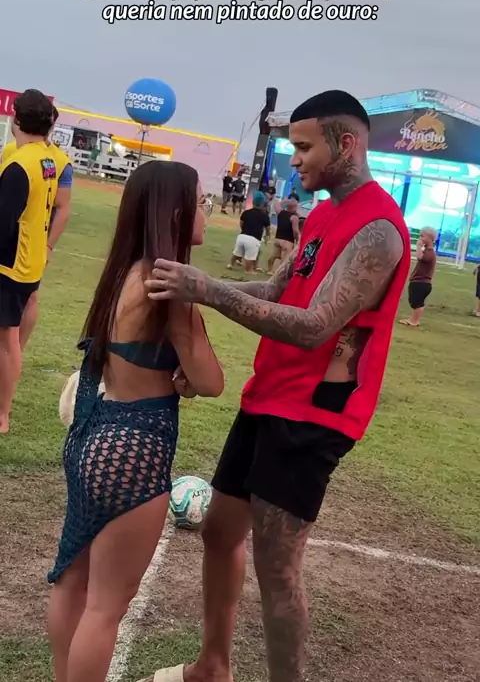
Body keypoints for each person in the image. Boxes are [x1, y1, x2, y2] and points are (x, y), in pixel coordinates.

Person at [142, 89, 411, 682]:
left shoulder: (379, 230)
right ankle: (212, 667)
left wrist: (208, 291)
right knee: (219, 531)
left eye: (305, 147)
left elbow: (315, 327)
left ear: (347, 143)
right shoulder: (322, 213)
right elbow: (274, 291)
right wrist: (194, 285)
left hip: (314, 415)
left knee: (277, 566)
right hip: (271, 396)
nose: (295, 159)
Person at [47, 160, 224, 682]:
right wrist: (189, 372)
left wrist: (178, 371)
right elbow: (212, 381)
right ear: (176, 212)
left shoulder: (123, 273)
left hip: (92, 438)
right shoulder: (170, 286)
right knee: (105, 606)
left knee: (73, 583)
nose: (207, 214)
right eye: (201, 202)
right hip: (134, 450)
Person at [0, 89, 61, 434]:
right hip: (30, 258)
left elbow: (4, 222)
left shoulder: (20, 164)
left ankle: (2, 415)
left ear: (17, 119)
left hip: (11, 264)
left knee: (7, 339)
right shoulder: (46, 158)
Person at [2, 108, 73, 351]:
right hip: (16, 239)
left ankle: (15, 351)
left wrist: (49, 246)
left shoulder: (59, 162)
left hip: (29, 242)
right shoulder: (12, 151)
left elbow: (63, 207)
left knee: (29, 298)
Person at [399, 227, 437, 328]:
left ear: (430, 238)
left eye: (422, 236)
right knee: (415, 301)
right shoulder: (427, 251)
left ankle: (414, 321)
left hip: (422, 282)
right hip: (419, 282)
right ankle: (414, 319)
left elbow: (420, 257)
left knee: (417, 302)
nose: (420, 238)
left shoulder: (430, 253)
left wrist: (418, 246)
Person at [228, 191, 270, 274]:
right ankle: (249, 270)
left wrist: (245, 230)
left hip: (241, 237)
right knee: (249, 257)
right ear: (262, 204)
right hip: (254, 239)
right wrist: (267, 236)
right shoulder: (264, 216)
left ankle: (230, 264)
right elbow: (268, 229)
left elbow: (241, 224)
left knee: (237, 253)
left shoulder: (246, 213)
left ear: (253, 202)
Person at [267, 198, 300, 274]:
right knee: (284, 261)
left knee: (274, 256)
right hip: (287, 241)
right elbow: (295, 230)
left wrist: (284, 200)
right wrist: (297, 239)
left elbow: (276, 204)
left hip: (278, 239)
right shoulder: (294, 218)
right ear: (295, 207)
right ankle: (279, 274)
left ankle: (269, 270)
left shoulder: (281, 212)